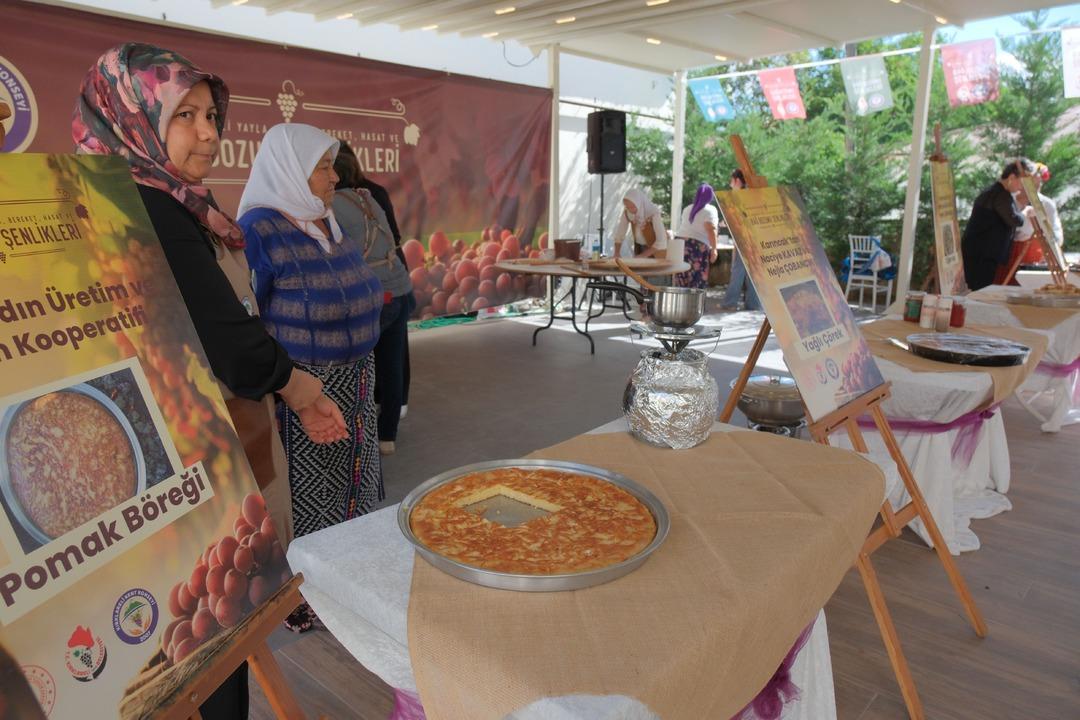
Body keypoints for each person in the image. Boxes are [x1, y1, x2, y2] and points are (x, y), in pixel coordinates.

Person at [73, 42, 348, 719]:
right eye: (185, 116)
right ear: (133, 118)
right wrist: (298, 386)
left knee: (191, 633)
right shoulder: (151, 208)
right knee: (212, 643)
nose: (208, 134)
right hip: (191, 465)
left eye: (211, 116)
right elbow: (226, 339)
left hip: (164, 457)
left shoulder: (154, 201)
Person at [238, 123, 385, 550]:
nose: (335, 176)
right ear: (291, 169)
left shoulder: (327, 223)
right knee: (313, 503)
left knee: (354, 491)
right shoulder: (258, 231)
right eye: (322, 167)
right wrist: (292, 388)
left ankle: (352, 565)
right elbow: (248, 320)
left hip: (356, 387)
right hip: (302, 396)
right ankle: (313, 580)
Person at [333, 143, 413, 455]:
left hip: (372, 294)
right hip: (399, 288)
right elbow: (393, 238)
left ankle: (355, 436)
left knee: (355, 368)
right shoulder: (369, 195)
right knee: (392, 366)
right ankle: (387, 436)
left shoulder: (330, 206)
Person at [962, 159, 1034, 291]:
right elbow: (1014, 220)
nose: (1021, 188)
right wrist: (1025, 212)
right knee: (979, 291)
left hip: (981, 252)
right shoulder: (999, 194)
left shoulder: (997, 192)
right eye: (1021, 183)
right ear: (1012, 177)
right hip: (981, 254)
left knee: (979, 289)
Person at [721, 169, 761, 310]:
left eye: (731, 180)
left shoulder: (738, 197)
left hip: (744, 238)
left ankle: (730, 303)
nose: (730, 184)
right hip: (754, 238)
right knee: (752, 271)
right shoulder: (751, 195)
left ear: (737, 181)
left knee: (738, 270)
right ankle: (753, 304)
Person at [673, 183, 719, 288]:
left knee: (681, 278)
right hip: (696, 247)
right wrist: (714, 249)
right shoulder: (710, 210)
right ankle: (693, 299)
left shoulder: (687, 208)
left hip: (680, 245)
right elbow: (711, 230)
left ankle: (680, 299)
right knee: (696, 281)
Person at [612, 188, 668, 259]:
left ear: (639, 203)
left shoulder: (653, 212)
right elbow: (620, 233)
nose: (630, 210)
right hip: (639, 247)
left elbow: (662, 241)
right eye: (627, 207)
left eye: (632, 207)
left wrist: (643, 255)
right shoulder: (627, 212)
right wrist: (616, 253)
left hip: (656, 251)